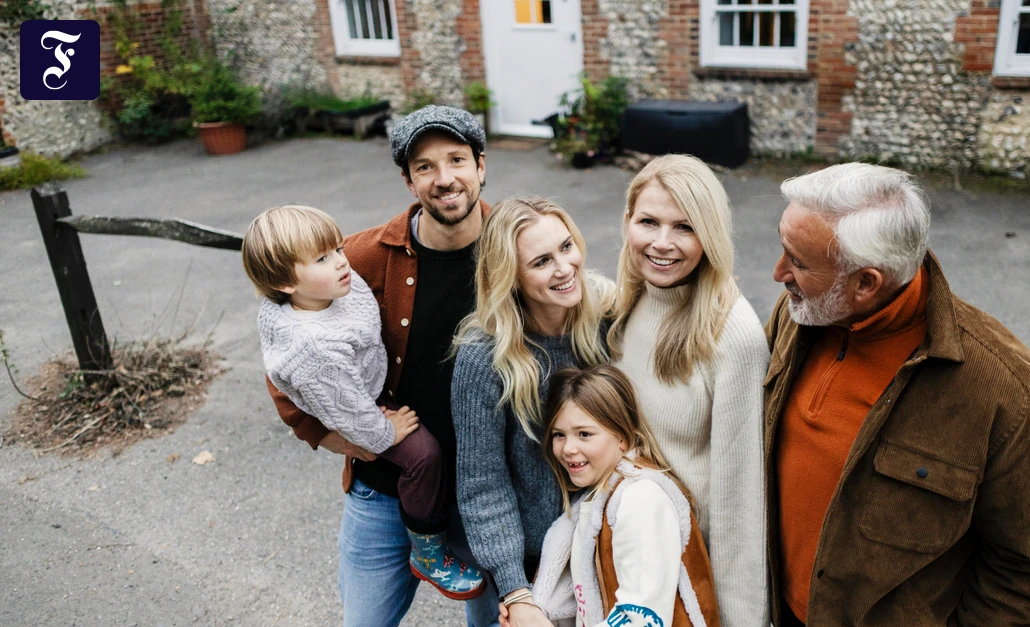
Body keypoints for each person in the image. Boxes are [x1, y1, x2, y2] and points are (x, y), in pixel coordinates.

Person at [764, 162, 1030, 626]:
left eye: (796, 261)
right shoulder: (803, 312)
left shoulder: (1009, 392)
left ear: (866, 283)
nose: (778, 274)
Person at [264, 105, 502, 626]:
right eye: (425, 167)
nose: (445, 179)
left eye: (457, 160)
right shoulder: (363, 255)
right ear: (408, 179)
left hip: (486, 495)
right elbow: (288, 354)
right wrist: (331, 435)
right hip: (384, 491)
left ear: (481, 165)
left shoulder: (516, 246)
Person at [244, 204, 485, 600]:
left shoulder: (329, 284)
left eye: (337, 248)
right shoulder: (312, 350)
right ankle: (428, 552)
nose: (342, 262)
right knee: (423, 455)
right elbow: (350, 415)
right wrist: (383, 432)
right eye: (323, 258)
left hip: (363, 387)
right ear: (285, 283)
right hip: (360, 407)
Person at [607, 154, 769, 626]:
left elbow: (741, 503)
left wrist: (740, 620)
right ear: (628, 223)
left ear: (711, 235)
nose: (662, 244)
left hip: (680, 572)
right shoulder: (628, 300)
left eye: (684, 227)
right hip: (620, 548)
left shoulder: (731, 336)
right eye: (648, 222)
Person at [451, 195, 612, 627]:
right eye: (541, 261)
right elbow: (482, 483)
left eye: (566, 247)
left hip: (607, 543)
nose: (564, 267)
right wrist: (515, 590)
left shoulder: (607, 320)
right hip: (526, 561)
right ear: (512, 278)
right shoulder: (484, 356)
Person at [523, 364, 722, 627]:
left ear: (622, 438)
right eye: (559, 435)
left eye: (584, 434)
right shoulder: (600, 498)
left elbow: (639, 617)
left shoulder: (641, 500)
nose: (568, 448)